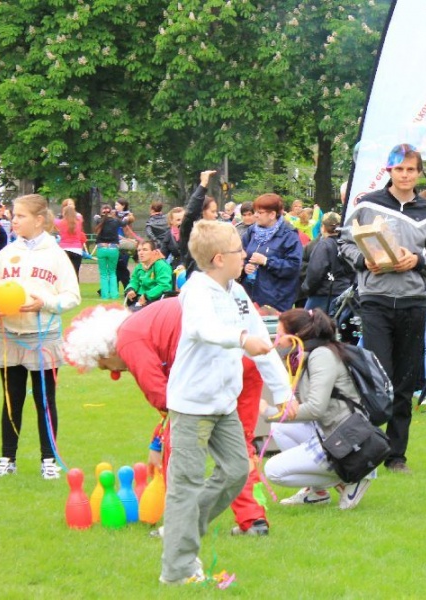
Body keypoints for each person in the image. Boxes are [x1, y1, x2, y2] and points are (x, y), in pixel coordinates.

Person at [63, 298, 292, 539]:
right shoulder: (146, 325)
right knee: (240, 446)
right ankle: (253, 519)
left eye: (105, 365)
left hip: (215, 365)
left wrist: (159, 442)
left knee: (179, 452)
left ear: (106, 351)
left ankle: (178, 523)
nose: (115, 372)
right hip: (247, 358)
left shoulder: (128, 339)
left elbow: (163, 397)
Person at [158, 219, 275, 584]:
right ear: (220, 258)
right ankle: (177, 571)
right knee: (186, 484)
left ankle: (181, 530)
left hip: (224, 404)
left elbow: (261, 339)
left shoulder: (236, 292)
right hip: (192, 405)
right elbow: (203, 328)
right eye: (240, 250)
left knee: (237, 470)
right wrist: (241, 339)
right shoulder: (196, 290)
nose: (246, 254)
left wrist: (284, 393)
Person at [339, 143, 426, 474]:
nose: (404, 175)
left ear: (419, 172)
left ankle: (396, 455)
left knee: (404, 381)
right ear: (389, 171)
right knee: (378, 377)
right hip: (375, 299)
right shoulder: (367, 204)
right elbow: (344, 244)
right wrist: (365, 261)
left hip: (413, 301)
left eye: (411, 169)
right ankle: (366, 448)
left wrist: (416, 261)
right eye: (399, 169)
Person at [0, 194, 82, 479]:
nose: (13, 220)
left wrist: (45, 303)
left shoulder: (56, 255)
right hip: (10, 336)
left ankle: (48, 460)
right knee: (11, 400)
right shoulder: (6, 253)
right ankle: (7, 458)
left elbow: (72, 296)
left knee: (45, 401)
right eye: (13, 215)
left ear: (38, 220)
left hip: (43, 339)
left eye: (20, 216)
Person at [263, 308, 375, 509]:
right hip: (328, 431)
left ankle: (352, 475)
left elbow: (315, 409)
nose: (276, 341)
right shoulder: (306, 355)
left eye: (280, 335)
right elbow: (301, 403)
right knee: (279, 428)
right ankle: (318, 492)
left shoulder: (321, 355)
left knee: (273, 470)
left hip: (347, 439)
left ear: (297, 335)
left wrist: (269, 412)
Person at [241, 193, 303, 312]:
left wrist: (266, 261)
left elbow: (294, 266)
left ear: (272, 214)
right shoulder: (251, 231)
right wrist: (245, 266)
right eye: (255, 212)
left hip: (276, 300)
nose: (255, 215)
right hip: (249, 295)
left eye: (260, 212)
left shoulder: (289, 235)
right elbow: (241, 254)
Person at [303, 212, 353, 312]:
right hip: (345, 293)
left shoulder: (324, 245)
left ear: (323, 227)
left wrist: (306, 289)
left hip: (324, 294)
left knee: (307, 320)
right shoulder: (348, 244)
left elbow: (315, 271)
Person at [178, 170, 220, 273]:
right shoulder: (191, 230)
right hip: (196, 275)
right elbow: (190, 213)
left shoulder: (218, 231)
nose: (216, 215)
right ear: (202, 212)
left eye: (216, 211)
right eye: (212, 211)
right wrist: (203, 184)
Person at [125, 240, 173, 309]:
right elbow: (134, 281)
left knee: (132, 312)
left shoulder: (162, 266)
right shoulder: (139, 266)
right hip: (139, 299)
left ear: (154, 252)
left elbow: (164, 285)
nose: (141, 253)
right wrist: (131, 289)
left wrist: (146, 296)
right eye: (139, 250)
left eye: (145, 250)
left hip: (155, 300)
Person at [54, 199, 87, 280]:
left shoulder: (60, 223)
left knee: (64, 274)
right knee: (75, 274)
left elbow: (52, 220)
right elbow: (79, 216)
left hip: (64, 249)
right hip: (77, 249)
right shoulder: (79, 221)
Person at [95, 204, 121, 300]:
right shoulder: (116, 221)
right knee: (112, 272)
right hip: (113, 248)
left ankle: (105, 295)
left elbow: (96, 218)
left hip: (101, 248)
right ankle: (114, 294)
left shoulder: (98, 220)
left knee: (103, 273)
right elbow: (125, 222)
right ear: (111, 211)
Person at [114, 199, 137, 293]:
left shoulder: (128, 215)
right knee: (118, 267)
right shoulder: (113, 214)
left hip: (125, 244)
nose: (115, 207)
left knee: (122, 267)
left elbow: (131, 218)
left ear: (123, 205)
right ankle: (117, 288)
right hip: (115, 243)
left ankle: (127, 288)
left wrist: (126, 218)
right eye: (115, 205)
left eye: (117, 205)